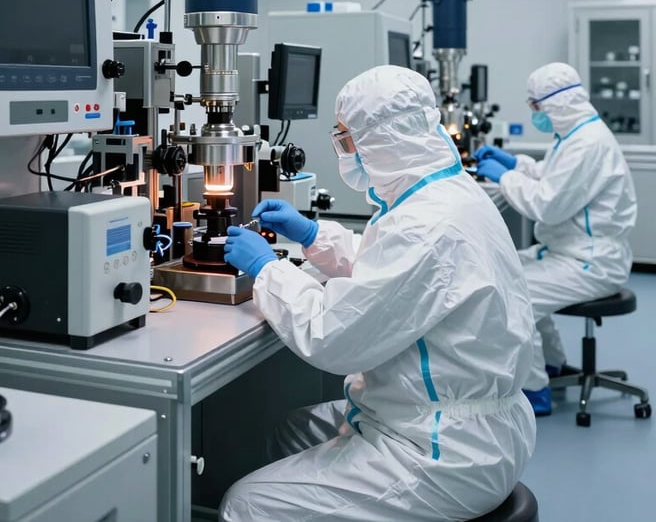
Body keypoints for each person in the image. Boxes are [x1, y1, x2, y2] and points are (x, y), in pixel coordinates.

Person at [220, 65, 536, 522]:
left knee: (244, 503)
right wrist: (313, 236)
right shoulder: (443, 194)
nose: (346, 153)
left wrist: (268, 269)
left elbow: (332, 335)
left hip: (441, 451)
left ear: (381, 139)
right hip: (461, 422)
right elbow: (391, 274)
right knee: (292, 430)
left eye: (347, 140)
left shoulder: (425, 224)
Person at [475, 62, 636, 416]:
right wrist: (514, 164)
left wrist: (503, 178)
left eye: (535, 106)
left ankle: (534, 391)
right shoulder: (576, 135)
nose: (534, 113)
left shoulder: (587, 144)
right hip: (572, 251)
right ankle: (551, 364)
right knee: (508, 270)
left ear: (556, 103)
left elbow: (547, 204)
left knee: (517, 295)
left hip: (590, 262)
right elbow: (550, 175)